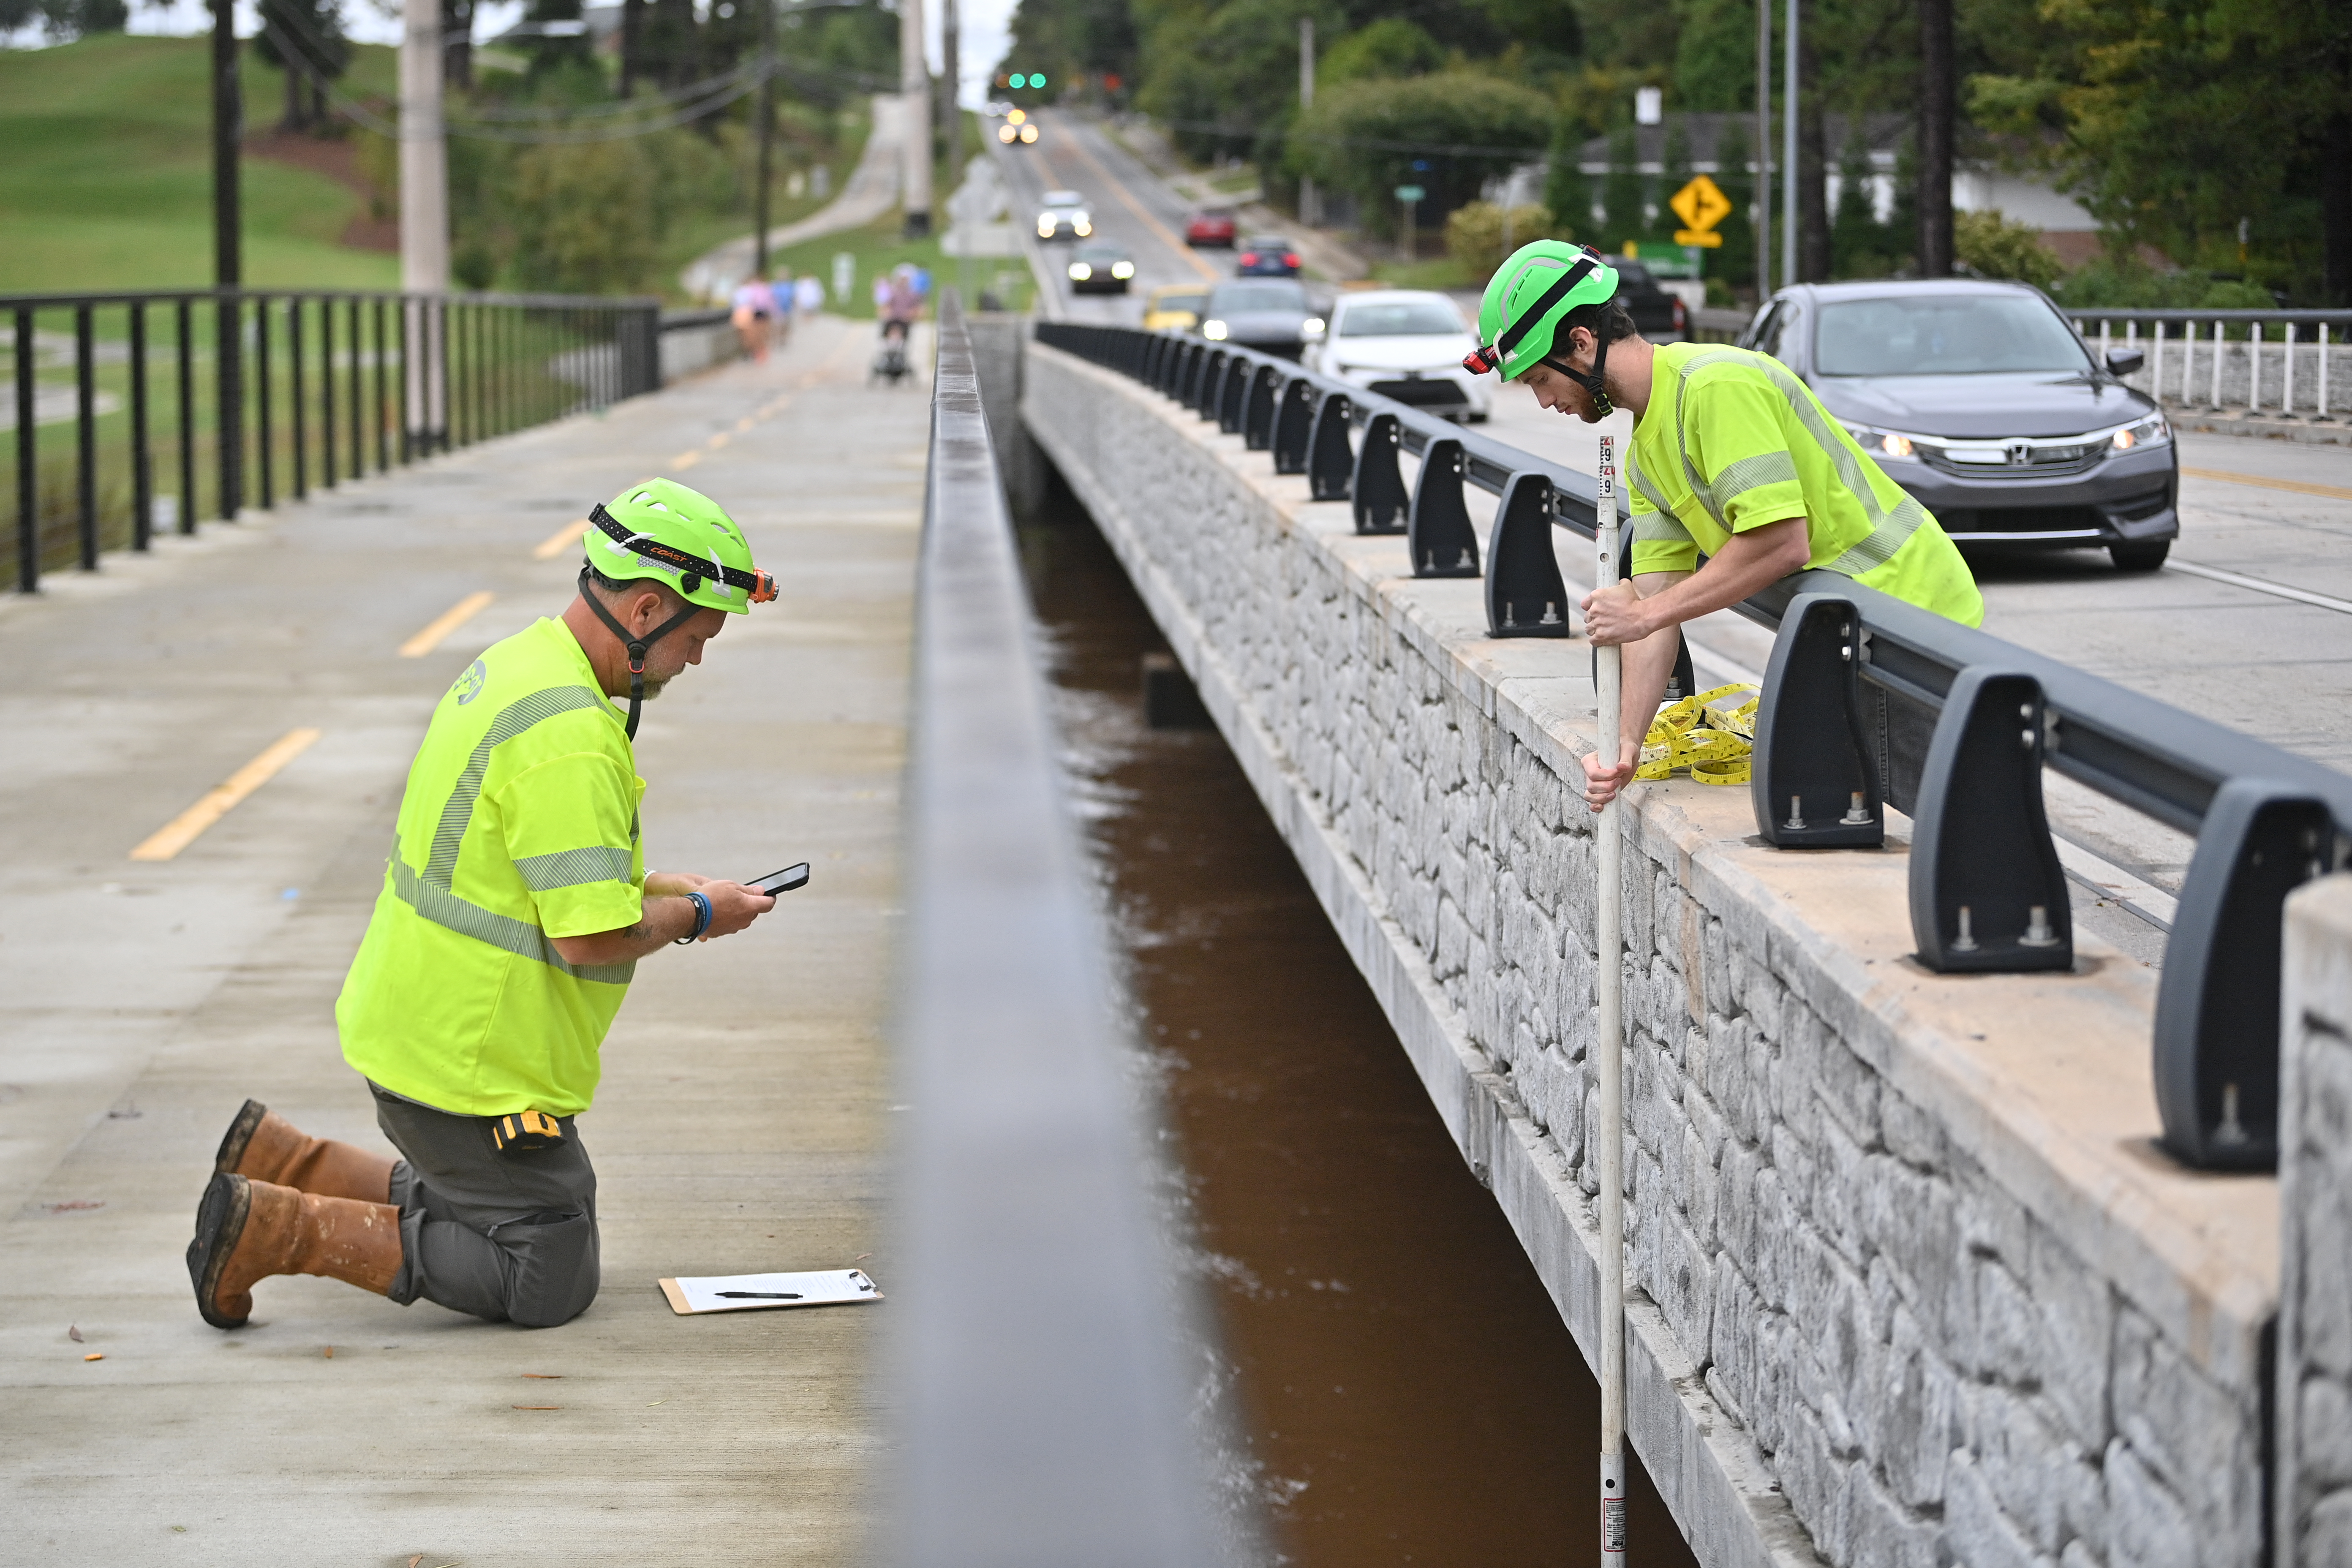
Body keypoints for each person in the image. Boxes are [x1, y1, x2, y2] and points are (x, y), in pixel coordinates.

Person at [187, 480, 783, 1331]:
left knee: (510, 1208)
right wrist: (696, 917)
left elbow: (518, 871)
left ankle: (292, 1160)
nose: (696, 659)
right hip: (469, 1066)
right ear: (647, 610)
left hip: (420, 1024)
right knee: (549, 1264)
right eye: (697, 636)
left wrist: (667, 890)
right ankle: (280, 1227)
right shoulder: (570, 736)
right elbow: (589, 937)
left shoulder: (520, 664)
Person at [1463, 240, 1984, 812]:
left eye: (1539, 379)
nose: (1542, 402)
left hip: (1906, 617)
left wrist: (1642, 612)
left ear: (1581, 345)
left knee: (1913, 830)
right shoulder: (1646, 452)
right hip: (1843, 629)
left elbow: (1781, 543)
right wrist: (1626, 746)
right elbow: (1654, 605)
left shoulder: (1715, 389)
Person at [730, 274, 776, 363]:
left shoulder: (742, 291)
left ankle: (750, 351)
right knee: (755, 334)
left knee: (746, 335)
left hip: (744, 314)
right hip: (750, 313)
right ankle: (756, 351)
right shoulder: (751, 291)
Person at [768, 270, 795, 348]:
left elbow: (793, 296)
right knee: (776, 325)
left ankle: (782, 339)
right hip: (777, 308)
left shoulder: (790, 285)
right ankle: (775, 340)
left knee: (785, 325)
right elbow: (771, 297)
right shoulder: (775, 285)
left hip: (787, 308)